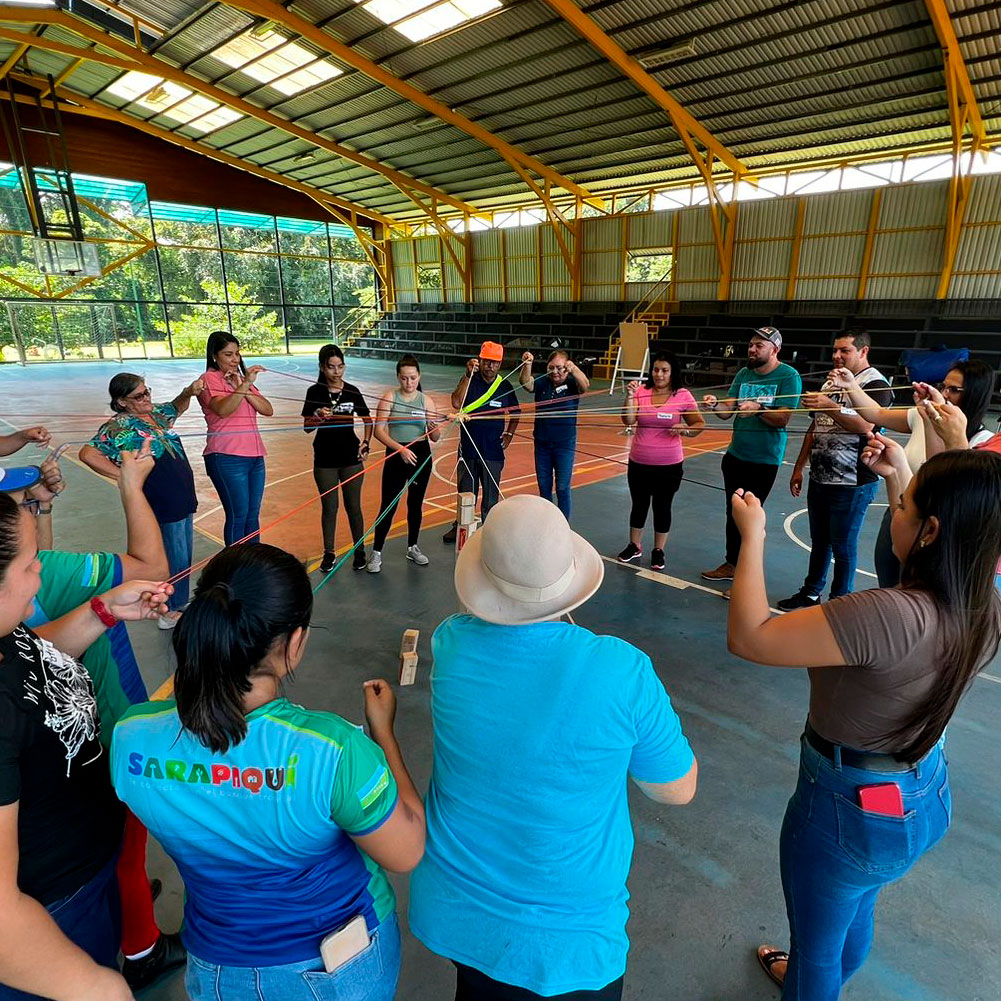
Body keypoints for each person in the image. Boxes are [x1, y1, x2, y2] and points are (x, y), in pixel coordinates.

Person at [726, 445, 1001, 1001]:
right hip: (921, 794)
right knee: (857, 902)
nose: (893, 510)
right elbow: (917, 568)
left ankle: (811, 984)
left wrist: (752, 535)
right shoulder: (982, 604)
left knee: (815, 952)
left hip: (846, 807)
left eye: (901, 507)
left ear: (930, 531)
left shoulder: (883, 616)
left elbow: (749, 635)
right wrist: (903, 472)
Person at [410, 494, 698, 1000]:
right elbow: (675, 790)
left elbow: (476, 625)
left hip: (459, 911)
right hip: (569, 942)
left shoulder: (450, 644)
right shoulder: (621, 669)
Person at [111, 543, 426, 1001]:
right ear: (294, 644)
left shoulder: (132, 736)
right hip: (333, 969)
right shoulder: (333, 749)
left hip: (216, 970)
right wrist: (385, 736)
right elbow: (406, 849)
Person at [14, 447, 186, 991]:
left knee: (121, 854)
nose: (39, 564)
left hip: (64, 851)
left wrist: (102, 608)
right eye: (25, 562)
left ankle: (123, 901)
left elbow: (36, 638)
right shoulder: (13, 683)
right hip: (64, 883)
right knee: (126, 847)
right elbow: (154, 568)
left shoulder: (15, 638)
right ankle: (140, 950)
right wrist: (130, 483)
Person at [827, 358, 996, 586]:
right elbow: (876, 413)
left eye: (954, 390)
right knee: (888, 584)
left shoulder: (982, 444)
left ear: (975, 395)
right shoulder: (922, 415)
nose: (945, 394)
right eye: (943, 386)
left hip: (935, 531)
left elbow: (943, 481)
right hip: (900, 510)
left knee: (915, 592)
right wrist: (851, 386)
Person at [777, 330, 892, 610]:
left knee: (842, 545)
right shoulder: (832, 381)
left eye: (845, 351)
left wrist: (830, 406)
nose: (837, 356)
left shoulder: (875, 384)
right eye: (835, 351)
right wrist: (800, 467)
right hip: (821, 477)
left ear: (863, 352)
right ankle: (811, 591)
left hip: (853, 481)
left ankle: (839, 603)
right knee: (820, 542)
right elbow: (815, 426)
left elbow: (867, 427)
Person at [80, 372, 203, 628]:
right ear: (122, 401)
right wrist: (125, 477)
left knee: (182, 554)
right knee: (171, 557)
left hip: (180, 497)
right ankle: (167, 610)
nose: (146, 398)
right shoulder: (118, 427)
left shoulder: (155, 414)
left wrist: (188, 391)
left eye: (147, 391)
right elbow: (88, 453)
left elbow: (176, 407)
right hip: (161, 500)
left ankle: (177, 601)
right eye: (139, 395)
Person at [700, 327, 802, 590]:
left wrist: (758, 409)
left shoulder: (788, 376)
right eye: (751, 345)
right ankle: (731, 564)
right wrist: (714, 405)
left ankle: (746, 578)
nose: (752, 349)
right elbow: (727, 411)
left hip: (764, 461)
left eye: (759, 345)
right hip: (736, 456)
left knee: (751, 517)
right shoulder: (744, 374)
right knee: (732, 513)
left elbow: (783, 418)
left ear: (774, 349)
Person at [617, 351, 704, 570]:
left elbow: (698, 424)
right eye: (656, 369)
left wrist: (685, 429)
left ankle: (658, 550)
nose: (659, 374)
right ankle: (634, 545)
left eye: (664, 370)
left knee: (662, 507)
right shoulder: (641, 392)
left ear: (673, 372)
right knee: (639, 505)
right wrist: (629, 396)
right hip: (639, 462)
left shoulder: (683, 395)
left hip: (669, 465)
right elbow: (628, 419)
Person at [301, 345, 373, 574]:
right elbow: (306, 428)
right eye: (331, 367)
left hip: (351, 457)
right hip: (324, 459)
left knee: (354, 506)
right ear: (323, 368)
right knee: (329, 507)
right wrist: (317, 417)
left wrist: (366, 443)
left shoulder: (352, 391)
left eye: (340, 366)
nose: (336, 371)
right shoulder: (314, 392)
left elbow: (367, 419)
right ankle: (329, 553)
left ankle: (359, 549)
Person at [197, 331, 274, 546]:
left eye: (237, 354)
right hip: (226, 457)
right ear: (214, 356)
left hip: (255, 456)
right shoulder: (208, 379)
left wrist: (244, 385)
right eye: (228, 354)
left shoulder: (241, 381)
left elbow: (267, 409)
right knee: (238, 515)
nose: (235, 360)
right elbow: (223, 409)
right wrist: (244, 385)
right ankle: (234, 569)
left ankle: (253, 563)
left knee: (252, 516)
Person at [369, 355, 442, 574]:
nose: (408, 383)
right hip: (396, 452)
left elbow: (436, 437)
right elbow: (378, 430)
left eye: (412, 378)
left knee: (415, 503)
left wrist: (432, 427)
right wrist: (399, 449)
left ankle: (413, 546)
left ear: (419, 376)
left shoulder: (426, 401)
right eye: (403, 378)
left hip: (420, 453)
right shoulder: (389, 398)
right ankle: (377, 552)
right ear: (398, 378)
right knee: (388, 504)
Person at [442, 341, 520, 543]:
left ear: (500, 363)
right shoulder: (470, 380)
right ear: (480, 360)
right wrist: (467, 375)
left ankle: (489, 534)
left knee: (490, 499)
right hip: (468, 450)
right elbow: (457, 403)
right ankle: (461, 529)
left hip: (492, 453)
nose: (490, 366)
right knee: (466, 495)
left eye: (495, 362)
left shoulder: (504, 385)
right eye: (487, 361)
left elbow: (515, 413)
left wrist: (509, 435)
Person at [519, 349, 590, 521]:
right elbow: (526, 383)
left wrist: (574, 369)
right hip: (542, 443)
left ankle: (563, 526)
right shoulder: (543, 382)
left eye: (559, 368)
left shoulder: (574, 383)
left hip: (564, 444)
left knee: (562, 488)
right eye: (551, 367)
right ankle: (547, 523)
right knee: (544, 487)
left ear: (567, 368)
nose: (555, 372)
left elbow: (585, 385)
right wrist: (527, 365)